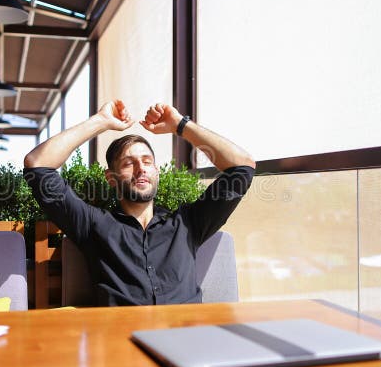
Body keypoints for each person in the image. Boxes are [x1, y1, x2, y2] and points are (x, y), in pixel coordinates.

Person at [23, 100, 255, 306]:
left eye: (147, 161)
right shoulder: (93, 225)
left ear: (157, 172)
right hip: (122, 341)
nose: (141, 168)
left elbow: (242, 167)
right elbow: (38, 164)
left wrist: (180, 125)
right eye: (128, 163)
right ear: (111, 179)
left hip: (187, 338)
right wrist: (100, 121)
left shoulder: (189, 223)